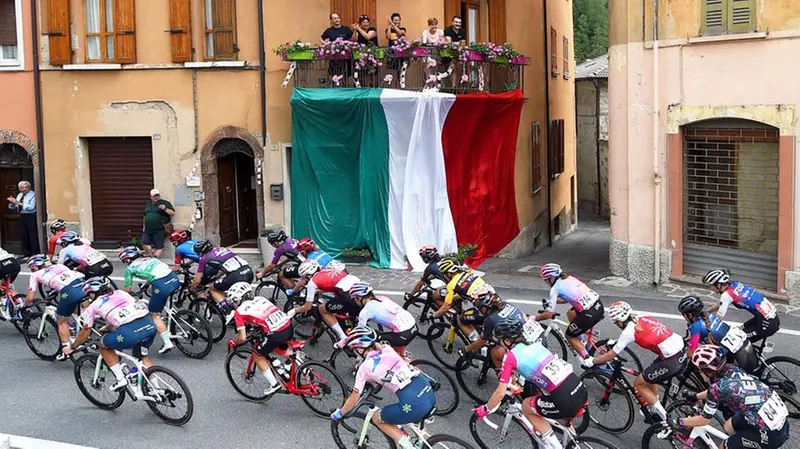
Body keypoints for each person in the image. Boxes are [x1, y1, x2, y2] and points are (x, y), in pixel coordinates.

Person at [474, 318, 588, 449]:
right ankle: (573, 442)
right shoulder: (535, 344)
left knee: (526, 406)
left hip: (565, 399)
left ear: (506, 340)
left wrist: (486, 409)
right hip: (579, 388)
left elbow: (500, 392)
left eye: (500, 340)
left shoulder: (510, 356)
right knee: (553, 407)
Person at [330, 326, 436, 449]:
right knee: (415, 416)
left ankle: (410, 447)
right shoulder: (387, 349)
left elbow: (354, 398)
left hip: (413, 402)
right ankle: (423, 442)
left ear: (359, 349)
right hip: (426, 389)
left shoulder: (364, 368)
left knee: (377, 418)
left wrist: (340, 413)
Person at [582, 300, 687, 424]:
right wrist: (616, 343)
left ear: (620, 322)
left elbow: (611, 355)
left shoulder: (629, 332)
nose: (616, 325)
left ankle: (666, 419)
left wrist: (592, 361)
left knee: (639, 383)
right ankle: (654, 404)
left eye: (616, 323)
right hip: (681, 350)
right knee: (649, 373)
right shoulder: (641, 317)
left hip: (671, 360)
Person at [673, 345, 789, 449]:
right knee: (728, 426)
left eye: (699, 371)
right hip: (772, 417)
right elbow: (720, 390)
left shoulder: (717, 388)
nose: (699, 373)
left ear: (707, 372)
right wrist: (696, 396)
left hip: (771, 433)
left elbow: (705, 420)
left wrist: (679, 422)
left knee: (724, 446)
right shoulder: (731, 369)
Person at [64, 277, 157, 391]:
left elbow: (85, 333)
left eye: (89, 294)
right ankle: (157, 389)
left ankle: (120, 379)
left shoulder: (93, 306)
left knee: (102, 345)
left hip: (129, 332)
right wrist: (108, 327)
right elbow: (122, 312)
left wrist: (73, 347)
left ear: (93, 293)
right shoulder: (121, 293)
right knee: (141, 357)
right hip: (149, 325)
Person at [226, 282, 293, 396]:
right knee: (286, 349)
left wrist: (233, 342)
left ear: (238, 299)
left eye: (234, 301)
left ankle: (274, 384)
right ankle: (299, 368)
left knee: (257, 355)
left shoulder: (239, 312)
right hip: (287, 325)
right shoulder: (260, 298)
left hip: (275, 333)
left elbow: (242, 337)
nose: (234, 304)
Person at [534, 263, 604, 360]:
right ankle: (581, 341)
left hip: (589, 313)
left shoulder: (555, 288)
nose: (546, 283)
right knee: (571, 313)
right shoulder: (569, 278)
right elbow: (567, 298)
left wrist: (534, 318)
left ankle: (588, 361)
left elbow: (548, 314)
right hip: (598, 305)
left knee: (569, 336)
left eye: (546, 280)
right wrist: (552, 302)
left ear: (551, 278)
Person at [119, 246, 178, 355]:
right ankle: (169, 312)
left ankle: (167, 342)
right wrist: (146, 285)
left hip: (161, 285)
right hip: (173, 279)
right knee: (155, 293)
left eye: (125, 261)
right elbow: (153, 274)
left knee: (154, 314)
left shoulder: (130, 269)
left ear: (127, 259)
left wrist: (124, 299)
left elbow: (127, 290)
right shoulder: (151, 259)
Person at [288, 259, 361, 346]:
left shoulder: (312, 282)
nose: (303, 279)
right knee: (341, 306)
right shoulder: (326, 270)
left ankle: (343, 338)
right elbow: (330, 283)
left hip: (348, 296)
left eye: (304, 277)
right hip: (357, 288)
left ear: (308, 275)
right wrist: (318, 291)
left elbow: (307, 307)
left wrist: (294, 311)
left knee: (322, 309)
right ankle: (352, 323)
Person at [25, 255, 85, 359]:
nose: (32, 271)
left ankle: (65, 349)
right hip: (82, 285)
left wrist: (24, 305)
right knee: (77, 312)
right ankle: (79, 329)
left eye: (31, 269)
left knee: (61, 320)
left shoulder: (35, 275)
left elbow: (30, 297)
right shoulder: (59, 266)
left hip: (68, 292)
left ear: (34, 267)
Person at [679, 295, 759, 374]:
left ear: (689, 315)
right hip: (741, 344)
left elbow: (691, 353)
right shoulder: (707, 315)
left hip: (738, 355)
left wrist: (684, 354)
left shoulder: (696, 326)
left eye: (684, 315)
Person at [703, 269, 780, 343]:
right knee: (738, 331)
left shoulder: (726, 295)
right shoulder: (735, 284)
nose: (711, 288)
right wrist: (706, 313)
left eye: (711, 285)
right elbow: (721, 304)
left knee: (738, 341)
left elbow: (719, 318)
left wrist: (709, 331)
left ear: (718, 285)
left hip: (767, 323)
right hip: (765, 317)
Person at [343, 282, 416, 357]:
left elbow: (360, 332)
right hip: (413, 326)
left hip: (404, 333)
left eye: (354, 299)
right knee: (395, 351)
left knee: (373, 341)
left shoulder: (365, 311)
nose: (354, 301)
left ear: (359, 297)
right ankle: (403, 358)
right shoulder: (382, 298)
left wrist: (344, 341)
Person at [461, 291, 526, 368]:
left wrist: (467, 349)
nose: (479, 311)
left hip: (519, 341)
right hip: (527, 332)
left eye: (480, 309)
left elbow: (482, 340)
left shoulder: (490, 319)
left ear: (486, 308)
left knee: (495, 352)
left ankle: (503, 375)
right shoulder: (506, 304)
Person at [432, 258, 491, 340]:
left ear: (449, 274)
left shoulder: (451, 285)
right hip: (495, 302)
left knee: (460, 320)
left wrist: (434, 315)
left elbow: (446, 307)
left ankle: (477, 343)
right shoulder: (469, 272)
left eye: (444, 274)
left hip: (484, 310)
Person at [191, 240, 254, 312]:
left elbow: (197, 281)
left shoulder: (204, 259)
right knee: (232, 291)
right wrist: (217, 277)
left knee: (212, 288)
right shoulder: (222, 249)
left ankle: (228, 311)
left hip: (236, 276)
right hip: (248, 272)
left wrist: (192, 289)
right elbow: (224, 266)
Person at [6, 180, 39, 258]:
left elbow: (31, 207)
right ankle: (26, 252)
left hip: (31, 216)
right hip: (22, 216)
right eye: (22, 188)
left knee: (32, 235)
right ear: (19, 189)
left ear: (29, 187)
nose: (24, 189)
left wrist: (18, 203)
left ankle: (34, 253)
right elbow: (15, 206)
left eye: (25, 187)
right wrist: (12, 203)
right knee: (23, 235)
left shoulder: (33, 194)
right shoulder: (20, 195)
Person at [142, 189, 175, 258]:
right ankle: (151, 257)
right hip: (148, 229)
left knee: (159, 246)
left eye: (157, 195)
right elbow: (145, 216)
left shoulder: (165, 203)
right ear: (151, 197)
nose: (156, 197)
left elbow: (172, 213)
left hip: (159, 229)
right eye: (154, 196)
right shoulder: (148, 204)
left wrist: (165, 208)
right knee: (144, 242)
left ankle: (154, 259)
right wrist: (144, 226)